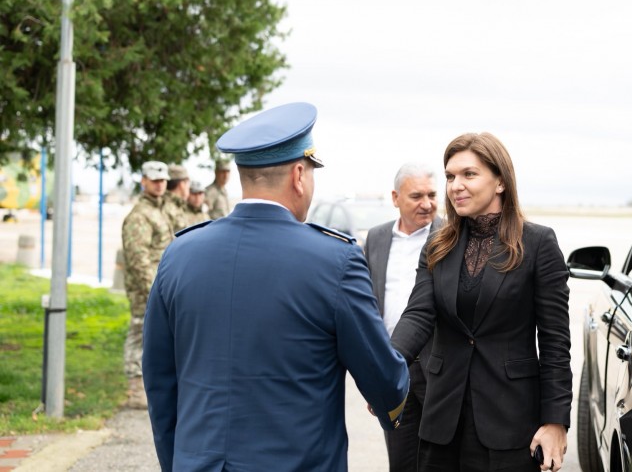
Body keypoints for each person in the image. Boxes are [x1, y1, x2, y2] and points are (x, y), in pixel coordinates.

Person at [142, 102, 410, 472]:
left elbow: (159, 381)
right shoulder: (335, 260)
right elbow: (384, 379)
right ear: (299, 174)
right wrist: (393, 402)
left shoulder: (180, 253)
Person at [391, 132, 572, 472]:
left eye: (468, 174)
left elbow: (555, 343)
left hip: (510, 424)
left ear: (500, 181)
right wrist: (386, 366)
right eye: (450, 176)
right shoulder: (437, 244)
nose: (455, 185)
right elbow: (418, 315)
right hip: (443, 420)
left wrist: (555, 421)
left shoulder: (537, 244)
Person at [364, 163, 442, 472]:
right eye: (417, 196)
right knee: (401, 462)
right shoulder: (377, 238)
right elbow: (369, 305)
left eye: (432, 195)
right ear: (396, 198)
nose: (427, 204)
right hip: (394, 368)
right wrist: (376, 374)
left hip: (439, 371)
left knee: (440, 462)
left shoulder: (451, 234)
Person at [121, 160, 173, 409]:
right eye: (154, 180)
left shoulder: (161, 210)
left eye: (163, 180)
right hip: (147, 289)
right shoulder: (140, 216)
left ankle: (149, 387)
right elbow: (138, 259)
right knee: (139, 332)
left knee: (153, 337)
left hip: (160, 286)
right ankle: (134, 389)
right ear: (143, 181)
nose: (160, 184)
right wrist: (155, 290)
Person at [162, 164, 190, 233]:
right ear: (182, 184)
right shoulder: (168, 206)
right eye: (187, 183)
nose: (189, 187)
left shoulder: (177, 204)